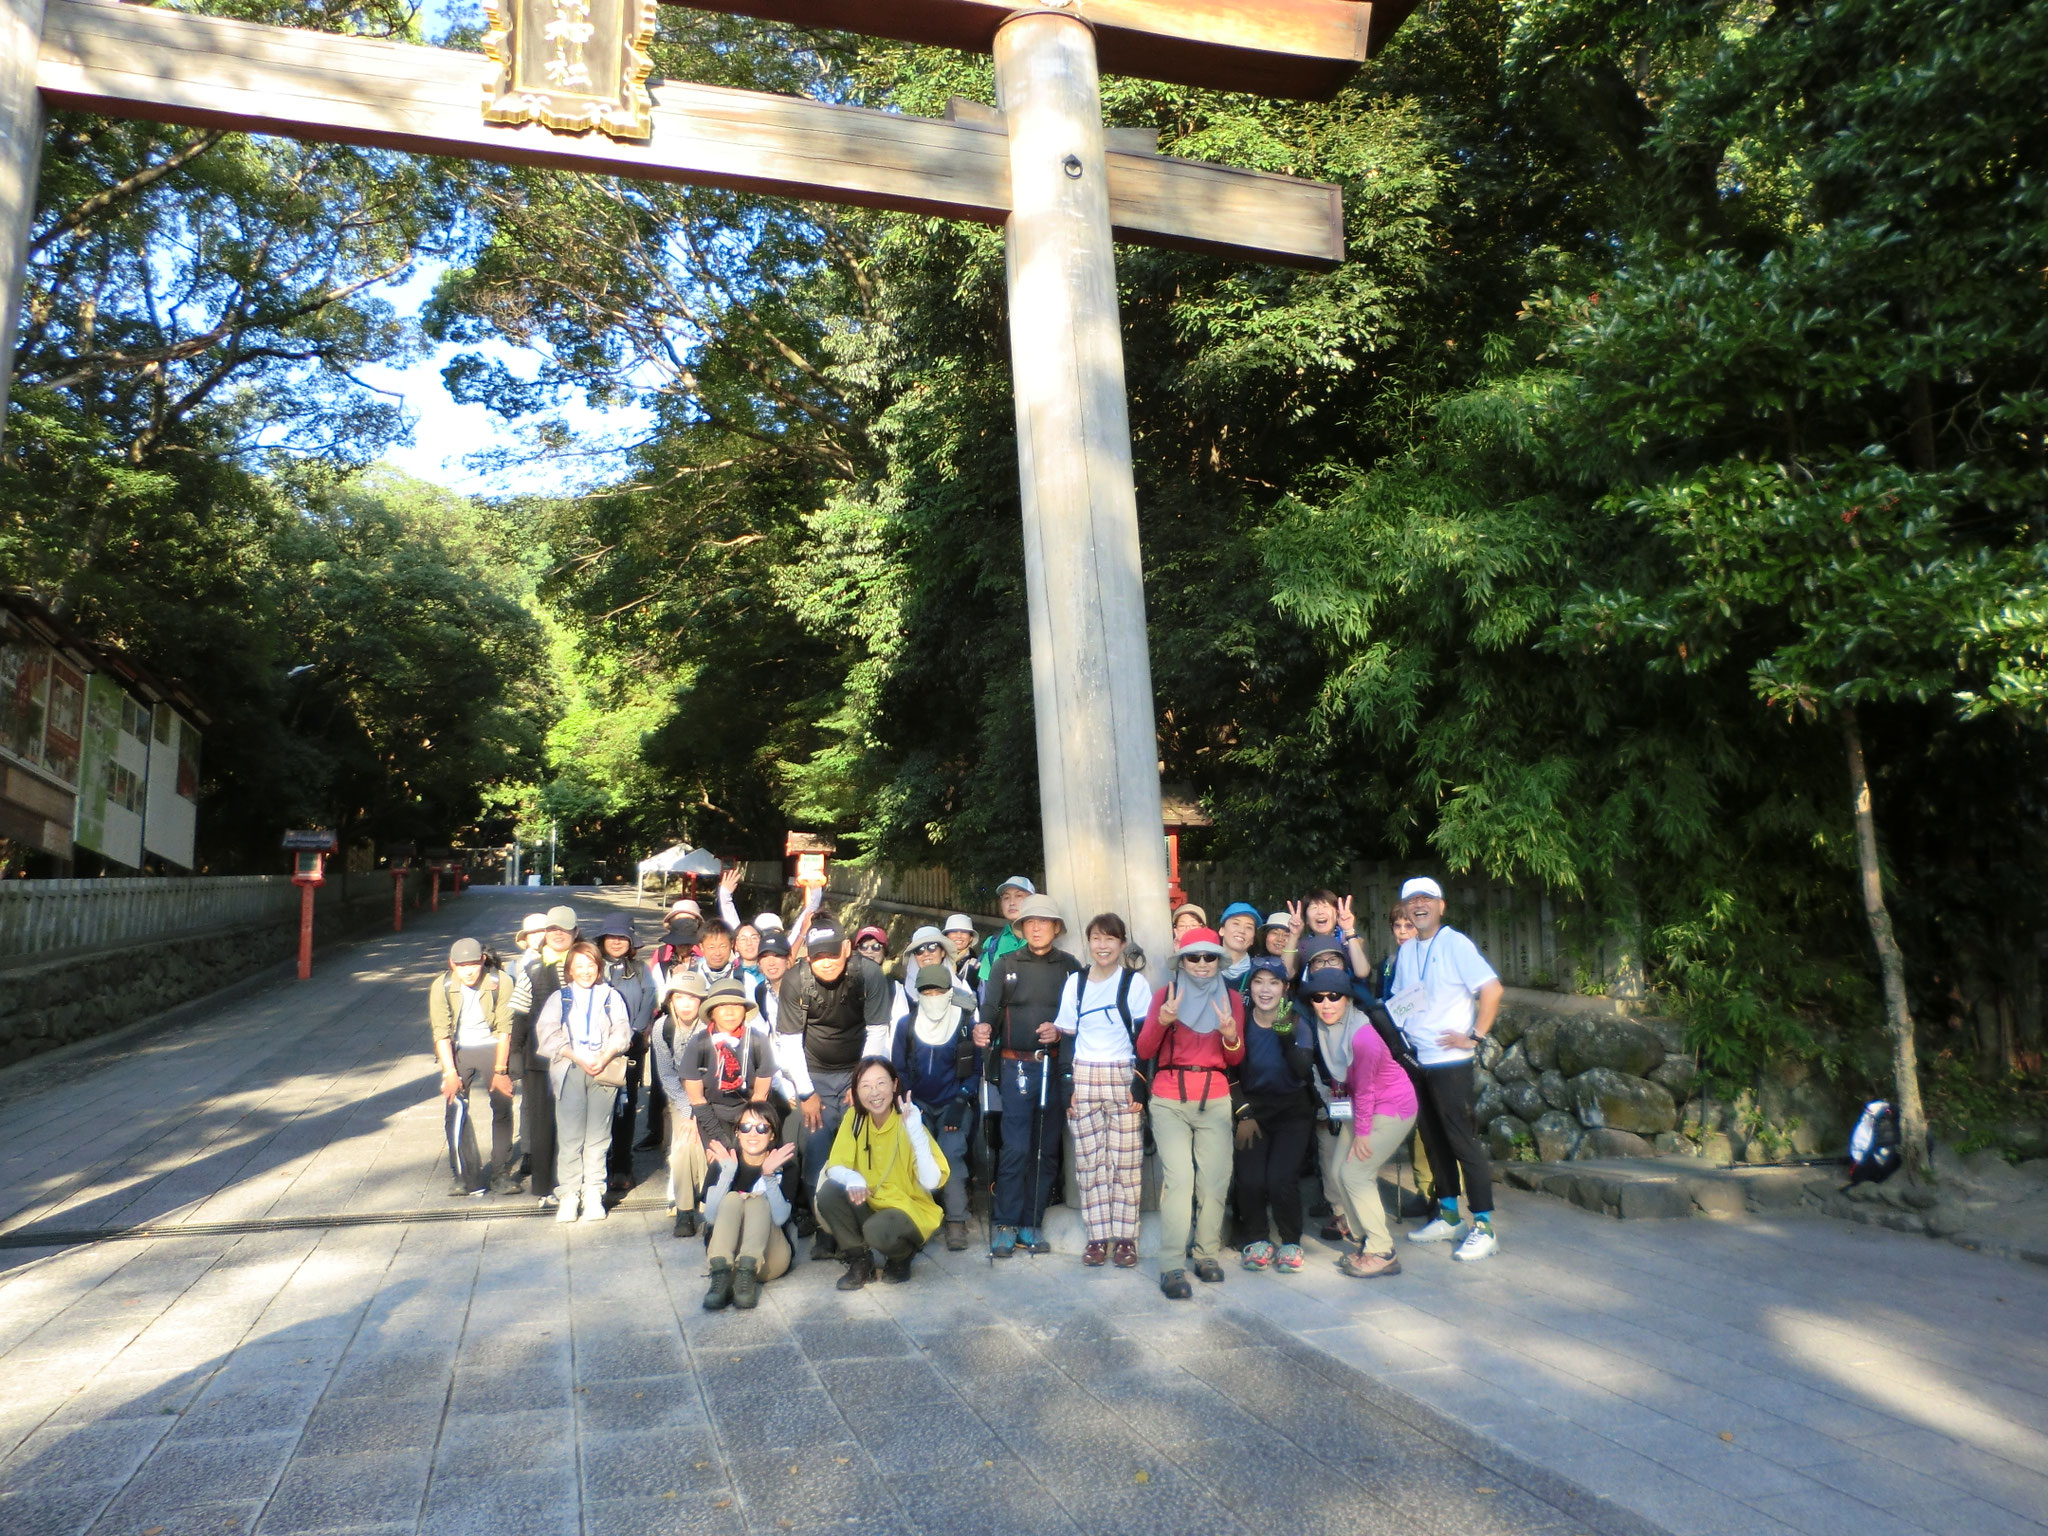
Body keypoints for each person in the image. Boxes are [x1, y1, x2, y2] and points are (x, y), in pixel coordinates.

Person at [1388, 876, 1503, 1261]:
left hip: (1451, 1062)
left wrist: (1475, 1035)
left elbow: (1492, 989)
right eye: (1411, 900)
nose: (1418, 905)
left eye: (1427, 898)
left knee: (1461, 1140)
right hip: (1417, 1059)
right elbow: (1403, 1001)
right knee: (1433, 1139)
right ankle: (1449, 1213)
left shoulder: (1455, 943)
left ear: (1441, 906)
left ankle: (1483, 1224)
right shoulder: (1407, 950)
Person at [775, 920, 896, 1256]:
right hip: (814, 1072)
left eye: (832, 954)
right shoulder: (795, 980)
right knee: (817, 1143)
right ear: (807, 957)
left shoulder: (868, 974)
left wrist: (863, 1083)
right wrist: (806, 1093)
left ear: (846, 949)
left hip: (858, 1067)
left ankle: (862, 1220)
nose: (825, 962)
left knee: (860, 1141)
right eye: (817, 957)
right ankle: (824, 1225)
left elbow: (878, 1031)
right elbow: (789, 1042)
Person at [1138, 927, 1246, 1298]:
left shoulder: (1231, 998)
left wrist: (1230, 1035)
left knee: (1215, 1181)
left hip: (1214, 1096)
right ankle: (1171, 1265)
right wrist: (1162, 1021)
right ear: (1181, 961)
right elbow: (1145, 1050)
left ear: (1219, 960)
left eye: (1209, 956)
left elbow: (1236, 1057)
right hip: (1169, 1097)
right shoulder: (1166, 995)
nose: (1201, 963)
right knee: (1180, 1181)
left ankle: (1206, 1255)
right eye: (1193, 956)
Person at [976, 893, 1083, 1257]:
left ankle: (1031, 1223)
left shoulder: (1070, 967)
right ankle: (1004, 1223)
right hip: (1015, 1066)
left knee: (1045, 1148)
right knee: (1016, 1147)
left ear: (1056, 928)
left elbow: (1080, 1017)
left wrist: (1060, 1030)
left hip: (1055, 1067)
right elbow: (989, 1010)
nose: (1037, 928)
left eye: (1044, 922)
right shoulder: (1006, 963)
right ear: (1022, 928)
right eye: (1030, 922)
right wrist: (982, 1029)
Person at [1054, 913, 1153, 1268]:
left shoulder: (1134, 983)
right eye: (1096, 938)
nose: (1103, 945)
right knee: (1089, 1162)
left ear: (1122, 944)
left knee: (1126, 1162)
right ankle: (1097, 1237)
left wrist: (1139, 1085)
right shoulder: (1075, 983)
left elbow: (1145, 1039)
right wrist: (1067, 1084)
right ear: (1089, 942)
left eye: (1110, 939)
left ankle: (1126, 1239)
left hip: (1122, 1073)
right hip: (1084, 1074)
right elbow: (1067, 1037)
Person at [816, 1057, 950, 1289]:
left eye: (881, 1083)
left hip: (907, 1209)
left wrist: (916, 1133)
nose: (874, 1092)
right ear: (856, 1091)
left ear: (894, 1084)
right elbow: (835, 1166)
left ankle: (902, 1256)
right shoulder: (855, 1118)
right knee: (829, 1192)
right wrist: (853, 1178)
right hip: (871, 1200)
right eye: (865, 1086)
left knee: (876, 1229)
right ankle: (860, 1260)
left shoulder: (908, 1120)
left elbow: (931, 1182)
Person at [535, 941, 632, 1223]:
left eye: (591, 965)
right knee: (570, 1136)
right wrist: (576, 1056)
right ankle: (569, 1194)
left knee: (599, 1136)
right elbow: (548, 1033)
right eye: (579, 966)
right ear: (570, 970)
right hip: (570, 1069)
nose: (586, 971)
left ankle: (593, 1193)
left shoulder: (611, 996)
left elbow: (622, 1030)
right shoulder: (560, 997)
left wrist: (605, 1055)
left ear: (599, 968)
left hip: (603, 1069)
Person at [1230, 955, 1316, 1272]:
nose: (1265, 990)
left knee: (1281, 1179)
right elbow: (1229, 1071)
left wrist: (1285, 1036)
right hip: (1252, 1108)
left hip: (1292, 1109)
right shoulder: (1240, 1022)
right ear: (1249, 986)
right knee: (1250, 1179)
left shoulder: (1297, 1021)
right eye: (1258, 982)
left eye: (1273, 982)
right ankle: (1257, 1238)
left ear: (1284, 988)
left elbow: (1302, 1070)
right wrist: (1242, 1112)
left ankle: (1291, 1242)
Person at [673, 979, 777, 1236]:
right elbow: (697, 1099)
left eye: (736, 1006)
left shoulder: (757, 1041)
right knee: (691, 1149)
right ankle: (691, 1213)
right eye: (722, 1006)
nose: (729, 1012)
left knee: (747, 1152)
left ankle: (745, 1212)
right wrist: (720, 1139)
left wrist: (741, 1137)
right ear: (712, 1012)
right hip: (710, 1113)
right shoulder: (699, 1044)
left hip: (749, 1115)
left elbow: (760, 1095)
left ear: (745, 1010)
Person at [890, 962, 981, 1251]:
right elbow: (898, 1068)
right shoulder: (906, 1025)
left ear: (949, 992)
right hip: (917, 1104)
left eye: (938, 992)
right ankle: (919, 1218)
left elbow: (976, 1070)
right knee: (916, 1156)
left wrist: (961, 1100)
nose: (932, 997)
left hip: (954, 1103)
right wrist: (906, 1103)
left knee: (951, 1154)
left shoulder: (965, 1025)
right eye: (926, 992)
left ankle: (956, 1220)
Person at [1333, 984, 1421, 1278]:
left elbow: (1367, 1088)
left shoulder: (1364, 1037)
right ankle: (1364, 1240)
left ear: (1348, 1001)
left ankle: (1382, 1250)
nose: (1326, 1003)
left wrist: (1362, 1133)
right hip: (1361, 1104)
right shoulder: (1327, 1030)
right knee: (1337, 1171)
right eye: (1318, 998)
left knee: (1355, 1173)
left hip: (1392, 1106)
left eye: (1334, 996)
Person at [429, 937, 518, 1197]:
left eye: (473, 964)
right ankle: (463, 1175)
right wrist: (449, 1073)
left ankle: (500, 1173)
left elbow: (505, 1029)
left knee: (502, 1106)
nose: (468, 971)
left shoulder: (501, 981)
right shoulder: (442, 985)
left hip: (493, 1045)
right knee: (455, 1108)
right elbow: (441, 1032)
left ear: (482, 960)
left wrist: (500, 1071)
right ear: (452, 964)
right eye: (461, 966)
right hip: (460, 1048)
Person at [509, 904, 580, 1208]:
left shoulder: (586, 964)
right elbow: (519, 1016)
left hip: (579, 1057)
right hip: (540, 1060)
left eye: (564, 929)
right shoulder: (533, 969)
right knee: (542, 1124)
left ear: (576, 932)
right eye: (552, 929)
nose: (558, 934)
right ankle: (543, 1185)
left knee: (575, 1122)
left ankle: (573, 1182)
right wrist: (514, 1056)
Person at [701, 1105, 798, 1310]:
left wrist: (769, 1177)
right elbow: (710, 1217)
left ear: (772, 1134)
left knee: (757, 1201)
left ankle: (747, 1275)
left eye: (762, 1128)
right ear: (737, 1131)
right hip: (729, 1260)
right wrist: (727, 1173)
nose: (753, 1133)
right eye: (746, 1127)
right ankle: (720, 1277)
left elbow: (780, 1218)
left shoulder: (784, 1165)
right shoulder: (725, 1162)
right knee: (732, 1199)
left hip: (769, 1258)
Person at [595, 915, 658, 1197]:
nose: (617, 942)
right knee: (598, 1109)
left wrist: (634, 1033)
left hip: (631, 1046)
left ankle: (622, 1165)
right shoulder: (592, 966)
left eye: (622, 937)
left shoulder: (640, 969)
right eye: (612, 936)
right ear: (602, 940)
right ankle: (597, 1167)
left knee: (626, 1107)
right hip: (596, 1048)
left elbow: (649, 998)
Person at [647, 974, 711, 1232]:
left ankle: (708, 1202)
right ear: (670, 1001)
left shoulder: (710, 1027)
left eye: (693, 998)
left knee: (705, 1144)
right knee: (684, 1142)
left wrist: (699, 1111)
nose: (686, 1004)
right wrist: (688, 1111)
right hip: (680, 1095)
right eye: (680, 997)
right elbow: (667, 1074)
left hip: (710, 1095)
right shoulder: (662, 1027)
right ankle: (683, 1206)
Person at [976, 877, 1035, 1004]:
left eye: (1018, 896)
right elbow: (985, 992)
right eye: (1006, 898)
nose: (1012, 902)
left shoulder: (1044, 940)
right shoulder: (992, 943)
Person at [1376, 903, 1417, 999]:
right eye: (1397, 926)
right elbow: (1382, 996)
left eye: (1409, 926)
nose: (1402, 931)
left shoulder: (1433, 960)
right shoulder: (1388, 964)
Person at [1216, 902, 1260, 984]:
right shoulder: (1205, 966)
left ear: (1253, 939)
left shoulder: (1260, 972)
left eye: (1249, 927)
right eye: (1236, 924)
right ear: (1222, 930)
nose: (1242, 931)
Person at [943, 913, 982, 994]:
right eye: (954, 931)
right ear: (946, 936)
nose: (959, 936)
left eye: (964, 932)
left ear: (971, 938)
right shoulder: (938, 959)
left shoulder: (976, 965)